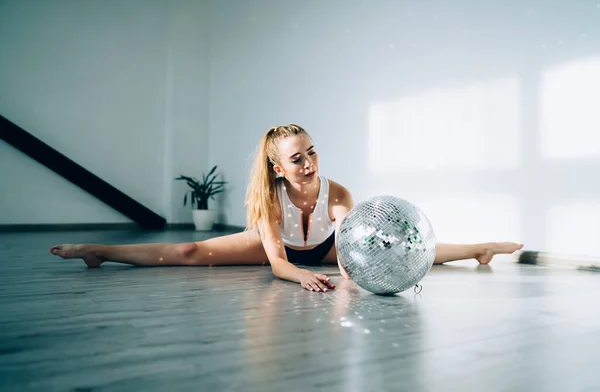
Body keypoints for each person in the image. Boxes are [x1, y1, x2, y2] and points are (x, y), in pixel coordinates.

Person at [50, 124, 523, 292]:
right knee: (191, 252)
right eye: (297, 159)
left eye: (312, 152)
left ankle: (481, 249)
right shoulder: (266, 197)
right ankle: (100, 250)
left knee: (402, 249)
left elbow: (353, 245)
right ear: (278, 168)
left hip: (323, 250)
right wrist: (300, 277)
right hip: (276, 252)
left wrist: (346, 281)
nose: (310, 163)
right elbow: (277, 262)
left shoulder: (337, 192)